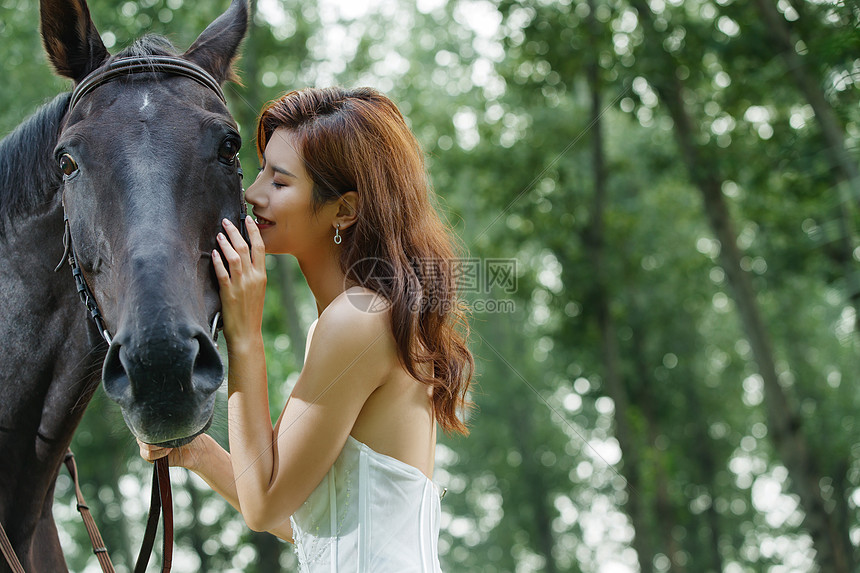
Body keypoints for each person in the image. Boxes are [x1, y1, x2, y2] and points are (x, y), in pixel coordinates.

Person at [139, 86, 474, 572]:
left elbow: (264, 506)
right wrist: (195, 451)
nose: (252, 195)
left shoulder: (357, 321)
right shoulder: (358, 319)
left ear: (344, 210)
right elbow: (302, 518)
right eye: (260, 172)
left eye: (279, 182)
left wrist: (245, 333)